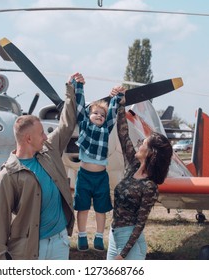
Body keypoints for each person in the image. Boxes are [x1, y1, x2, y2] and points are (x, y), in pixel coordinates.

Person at [0, 72, 85, 260]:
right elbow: (0, 219)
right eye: (41, 133)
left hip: (59, 241)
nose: (45, 136)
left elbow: (66, 125)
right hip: (32, 248)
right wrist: (0, 257)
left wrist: (70, 91)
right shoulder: (8, 175)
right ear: (28, 138)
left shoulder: (48, 150)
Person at [106, 85, 173, 260]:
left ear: (151, 152)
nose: (140, 143)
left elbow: (140, 224)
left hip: (130, 244)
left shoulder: (150, 186)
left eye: (144, 142)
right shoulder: (134, 166)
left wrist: (123, 253)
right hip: (114, 236)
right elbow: (123, 135)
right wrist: (121, 104)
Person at [73, 80, 122, 252]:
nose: (100, 116)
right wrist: (79, 86)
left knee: (102, 209)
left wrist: (116, 96)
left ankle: (100, 236)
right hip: (84, 176)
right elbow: (79, 106)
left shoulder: (106, 129)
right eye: (96, 113)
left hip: (101, 177)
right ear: (88, 114)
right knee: (83, 207)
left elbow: (113, 113)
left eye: (102, 114)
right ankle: (82, 235)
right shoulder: (84, 125)